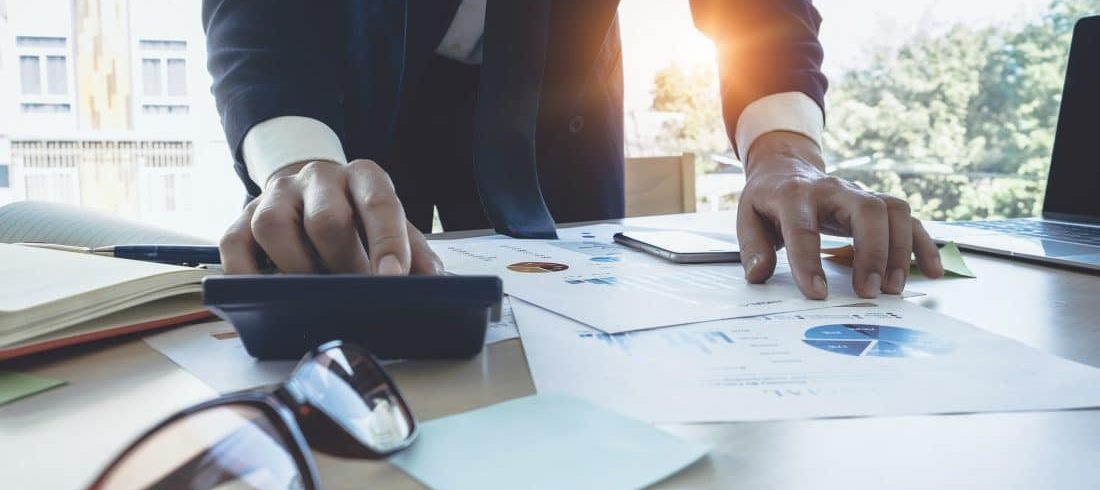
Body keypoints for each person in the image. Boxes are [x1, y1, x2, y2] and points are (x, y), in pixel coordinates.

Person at [202, 0, 944, 300]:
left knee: (578, 325)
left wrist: (786, 151)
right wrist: (297, 162)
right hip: (350, 106)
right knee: (345, 292)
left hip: (557, 114)